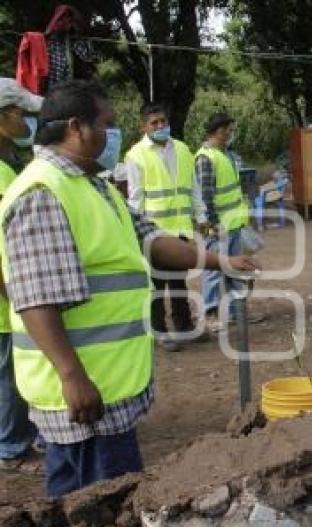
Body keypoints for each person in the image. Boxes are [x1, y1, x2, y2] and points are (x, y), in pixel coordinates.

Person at [0, 81, 259, 496]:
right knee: (100, 503)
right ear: (76, 127)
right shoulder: (44, 192)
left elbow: (153, 239)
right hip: (86, 393)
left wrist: (220, 260)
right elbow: (36, 298)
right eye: (108, 124)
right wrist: (73, 377)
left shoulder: (94, 185)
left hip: (110, 385)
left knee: (98, 494)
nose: (112, 136)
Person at [125, 103, 204, 351]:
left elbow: (193, 188)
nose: (160, 126)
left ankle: (184, 326)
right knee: (157, 284)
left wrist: (200, 217)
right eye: (154, 123)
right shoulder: (136, 155)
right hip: (154, 232)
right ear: (144, 126)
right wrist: (135, 231)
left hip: (180, 229)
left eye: (163, 121)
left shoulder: (182, 150)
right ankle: (160, 330)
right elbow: (135, 198)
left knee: (179, 281)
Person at [0, 78, 41, 470]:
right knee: (9, 377)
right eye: (21, 114)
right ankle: (12, 448)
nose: (27, 120)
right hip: (4, 297)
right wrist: (11, 293)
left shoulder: (8, 165)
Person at [195, 112, 262, 332]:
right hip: (219, 228)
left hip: (234, 224)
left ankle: (237, 311)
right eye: (227, 130)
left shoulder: (227, 155)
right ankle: (210, 313)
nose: (230, 134)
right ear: (217, 131)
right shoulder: (206, 158)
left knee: (236, 271)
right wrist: (212, 226)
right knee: (214, 272)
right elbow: (205, 196)